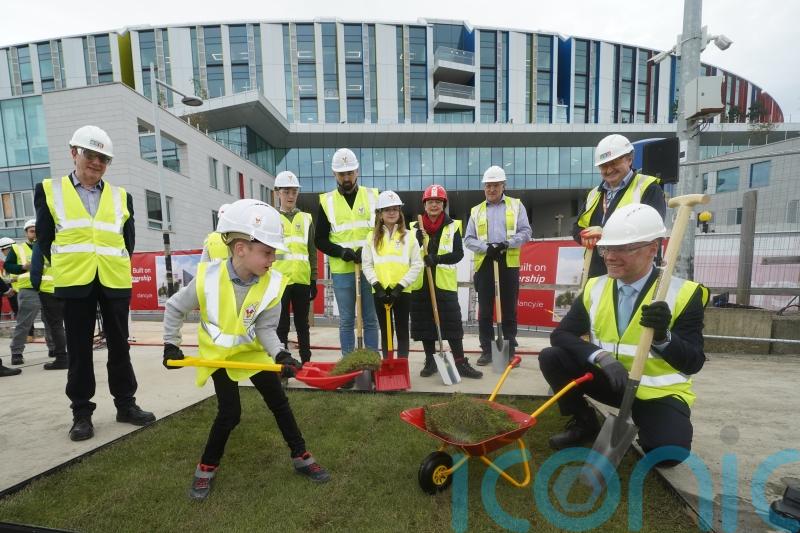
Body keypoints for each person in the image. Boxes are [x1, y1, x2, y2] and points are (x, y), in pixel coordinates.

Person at [162, 200, 330, 500]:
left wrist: (280, 354)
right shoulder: (206, 276)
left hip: (252, 353)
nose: (272, 259)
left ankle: (301, 456)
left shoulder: (272, 284)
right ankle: (206, 468)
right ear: (241, 249)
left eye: (274, 253)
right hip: (219, 355)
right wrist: (170, 344)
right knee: (230, 414)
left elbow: (266, 328)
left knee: (279, 402)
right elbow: (175, 307)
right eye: (267, 252)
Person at [539, 204, 708, 465]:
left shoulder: (684, 294)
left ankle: (648, 425)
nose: (609, 256)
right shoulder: (596, 287)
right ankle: (585, 422)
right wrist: (601, 357)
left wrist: (663, 337)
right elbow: (562, 335)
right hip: (611, 380)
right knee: (553, 357)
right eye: (607, 248)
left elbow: (693, 362)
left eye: (622, 248)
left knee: (667, 455)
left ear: (653, 248)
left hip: (655, 393)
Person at [35, 125, 155, 442]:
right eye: (90, 154)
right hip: (75, 282)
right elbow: (46, 241)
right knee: (78, 351)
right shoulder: (49, 190)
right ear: (74, 153)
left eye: (103, 158)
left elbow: (126, 243)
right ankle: (81, 415)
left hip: (113, 281)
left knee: (120, 347)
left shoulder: (120, 197)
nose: (96, 163)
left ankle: (126, 405)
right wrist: (73, 263)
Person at [409, 185, 483, 379]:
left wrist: (438, 259)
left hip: (444, 285)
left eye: (438, 202)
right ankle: (430, 361)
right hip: (421, 284)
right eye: (430, 201)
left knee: (452, 325)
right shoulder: (413, 228)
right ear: (424, 204)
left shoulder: (453, 226)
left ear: (443, 204)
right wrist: (416, 242)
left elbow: (458, 254)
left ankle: (459, 363)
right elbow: (407, 255)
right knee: (426, 325)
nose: (434, 205)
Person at [464, 166, 532, 366]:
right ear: (484, 187)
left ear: (503, 185)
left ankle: (509, 350)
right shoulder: (476, 211)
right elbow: (468, 239)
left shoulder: (516, 206)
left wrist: (506, 244)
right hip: (486, 263)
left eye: (495, 185)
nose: (491, 189)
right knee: (485, 310)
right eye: (488, 186)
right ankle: (487, 350)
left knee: (509, 309)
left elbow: (526, 231)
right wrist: (486, 248)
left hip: (507, 262)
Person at [314, 148, 379, 356]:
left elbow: (381, 232)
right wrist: (341, 252)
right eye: (342, 174)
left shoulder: (372, 196)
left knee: (370, 319)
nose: (347, 178)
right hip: (342, 271)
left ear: (357, 172)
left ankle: (371, 361)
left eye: (350, 173)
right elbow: (320, 240)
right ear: (335, 175)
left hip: (369, 268)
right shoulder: (327, 202)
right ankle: (348, 361)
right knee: (346, 320)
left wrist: (367, 250)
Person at [573, 134, 666, 278]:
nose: (608, 170)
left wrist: (604, 233)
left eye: (614, 163)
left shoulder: (648, 188)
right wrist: (584, 236)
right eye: (604, 166)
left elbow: (652, 231)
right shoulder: (594, 194)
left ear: (629, 159)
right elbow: (577, 228)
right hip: (596, 270)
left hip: (633, 272)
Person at [361, 191, 422, 359]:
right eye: (387, 209)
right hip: (380, 291)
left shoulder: (409, 236)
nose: (392, 212)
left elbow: (417, 264)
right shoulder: (371, 237)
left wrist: (400, 287)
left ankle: (401, 366)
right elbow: (367, 264)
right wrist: (377, 286)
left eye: (395, 209)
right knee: (386, 331)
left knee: (402, 330)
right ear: (380, 214)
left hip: (402, 292)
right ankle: (388, 364)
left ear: (400, 212)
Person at [272, 171, 317, 363]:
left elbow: (312, 251)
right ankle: (283, 364)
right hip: (279, 281)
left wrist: (313, 279)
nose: (290, 196)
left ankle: (306, 361)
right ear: (277, 193)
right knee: (281, 325)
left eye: (294, 192)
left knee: (302, 324)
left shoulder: (306, 219)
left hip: (301, 280)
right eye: (286, 191)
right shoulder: (271, 218)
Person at [4, 219, 60, 367]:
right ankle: (16, 352)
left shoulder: (48, 247)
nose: (34, 233)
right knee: (24, 323)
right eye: (32, 231)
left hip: (48, 289)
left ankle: (54, 349)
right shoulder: (18, 249)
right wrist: (23, 267)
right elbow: (8, 266)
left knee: (51, 322)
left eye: (36, 230)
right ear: (26, 233)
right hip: (29, 290)